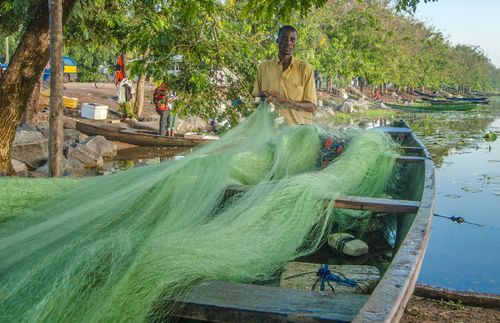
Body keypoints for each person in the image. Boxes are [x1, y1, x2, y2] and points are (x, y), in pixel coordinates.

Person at [253, 25, 317, 126]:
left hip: (297, 132)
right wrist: (262, 96)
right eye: (284, 38)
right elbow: (256, 100)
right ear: (277, 40)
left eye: (292, 39)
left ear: (295, 43)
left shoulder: (305, 69)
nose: (288, 43)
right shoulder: (263, 67)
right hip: (269, 131)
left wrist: (285, 101)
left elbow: (311, 106)